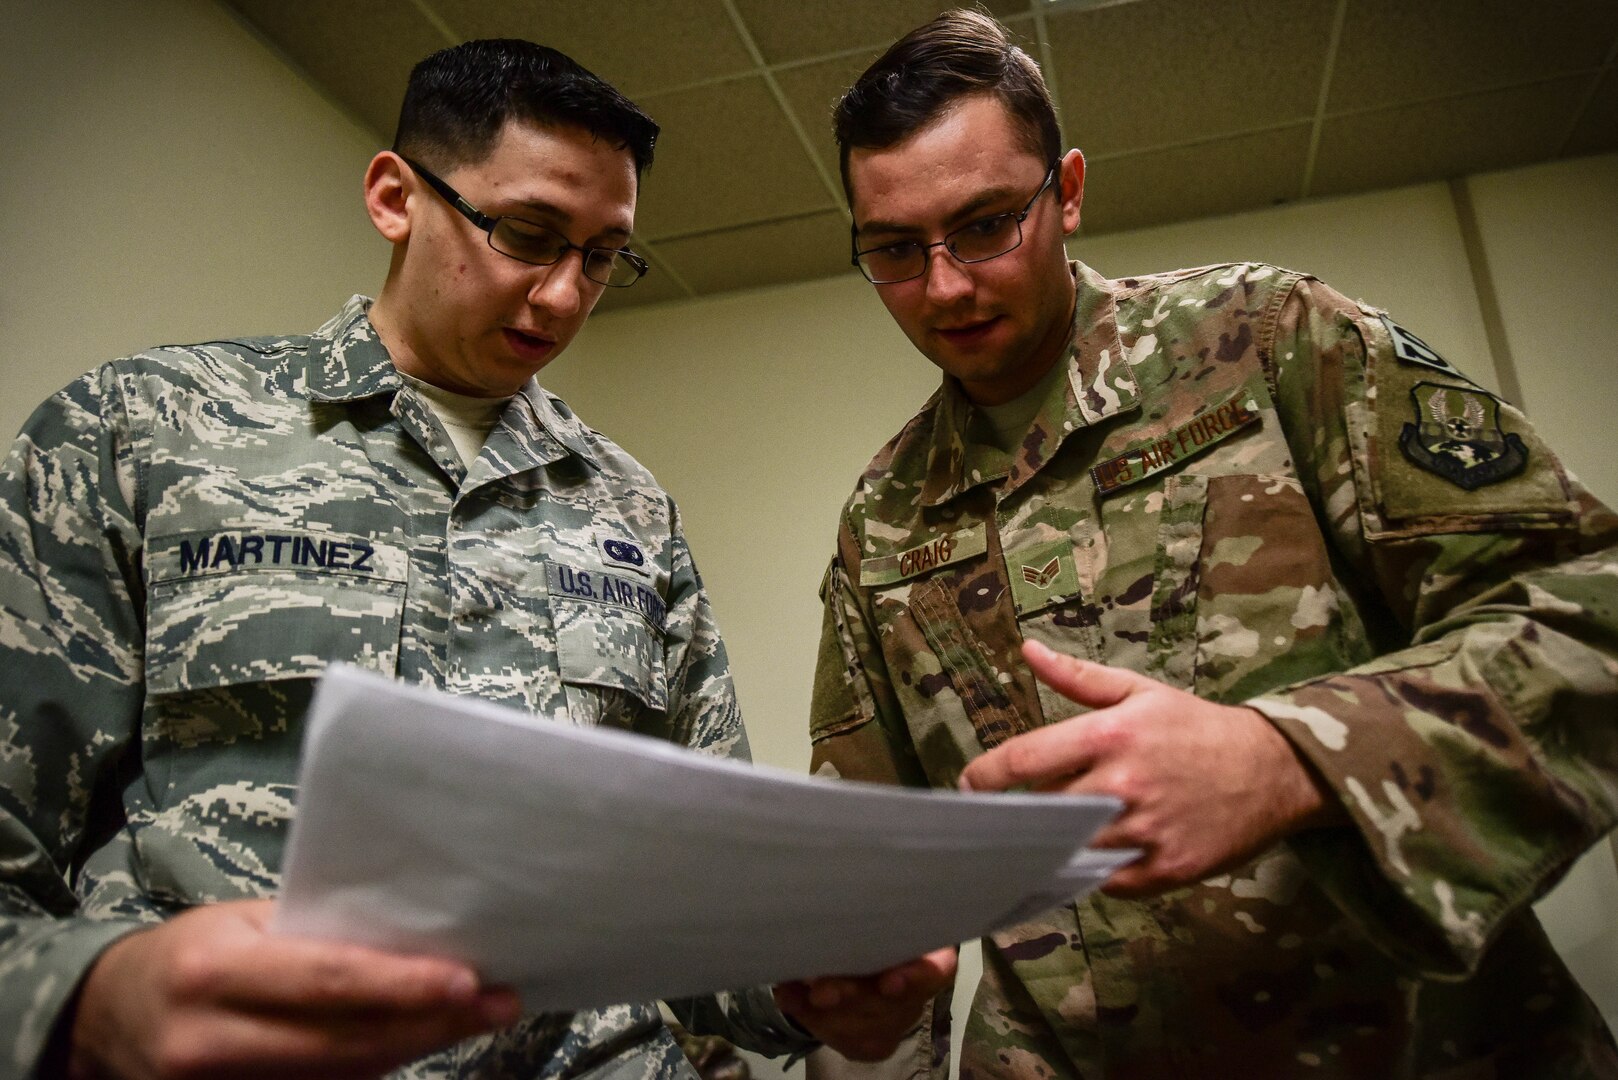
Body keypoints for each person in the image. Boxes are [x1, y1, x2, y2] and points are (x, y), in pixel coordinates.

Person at [0, 38, 847, 1080]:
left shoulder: (631, 510)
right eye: (527, 235)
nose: (561, 297)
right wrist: (94, 996)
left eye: (601, 257)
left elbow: (699, 895)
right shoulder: (137, 434)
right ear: (395, 196)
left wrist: (813, 978)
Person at [807, 9, 1618, 1078]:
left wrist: (1290, 758)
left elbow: (1586, 613)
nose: (945, 285)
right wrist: (854, 999)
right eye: (895, 250)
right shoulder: (885, 517)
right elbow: (866, 862)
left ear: (1070, 191)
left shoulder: (1266, 340)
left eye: (988, 223)